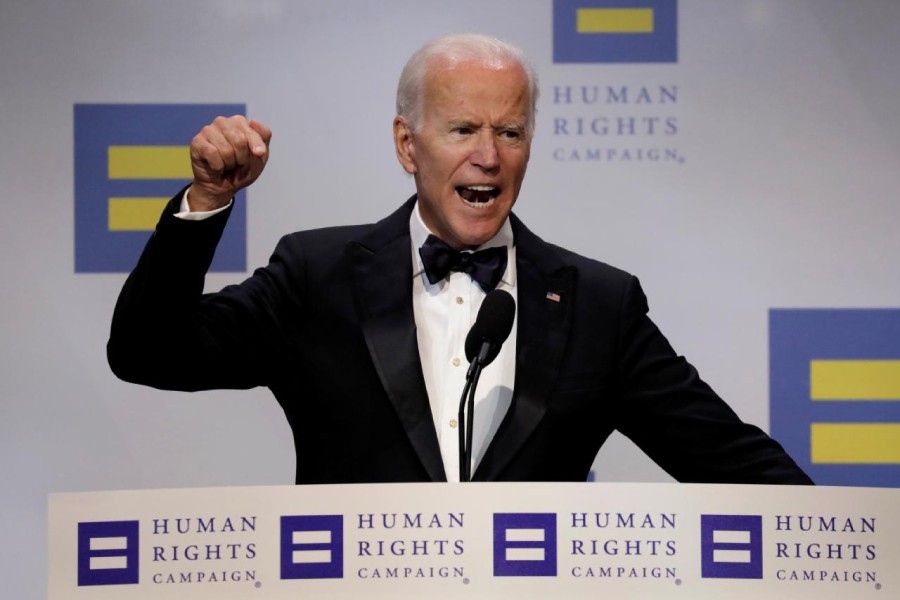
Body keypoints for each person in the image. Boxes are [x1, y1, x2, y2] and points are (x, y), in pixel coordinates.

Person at [108, 34, 812, 485]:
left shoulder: (600, 304)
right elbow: (148, 352)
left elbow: (733, 463)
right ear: (408, 146)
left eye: (510, 130)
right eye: (463, 129)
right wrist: (206, 201)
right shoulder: (316, 277)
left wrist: (860, 545)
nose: (489, 154)